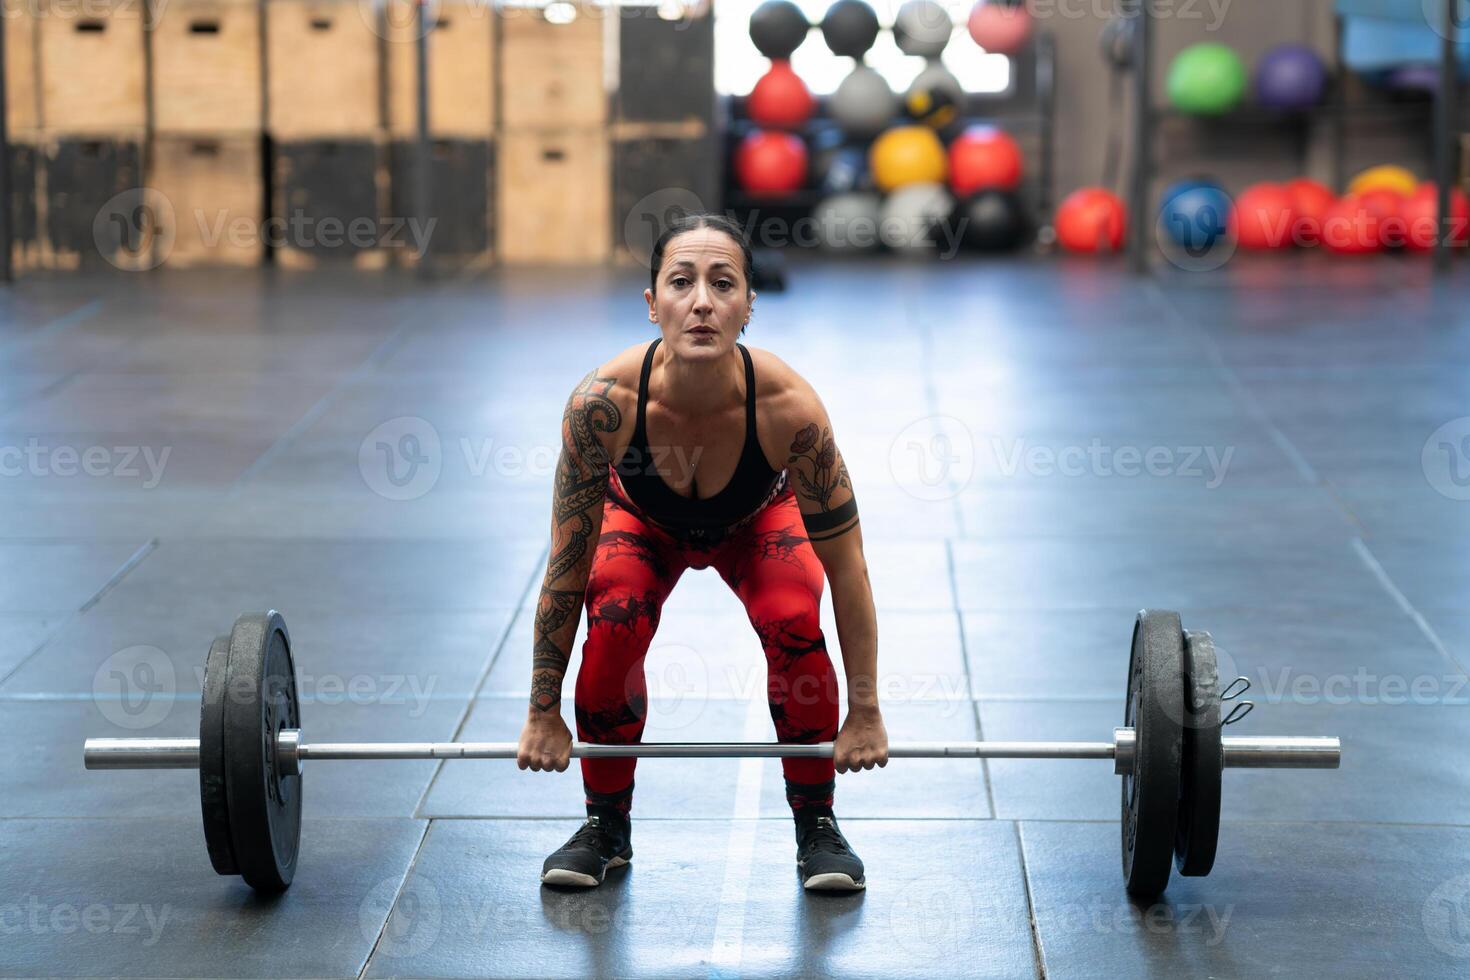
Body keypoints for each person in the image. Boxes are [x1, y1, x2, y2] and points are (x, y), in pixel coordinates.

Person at [515, 212, 888, 892]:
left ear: (748, 307)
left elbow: (848, 570)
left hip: (755, 519)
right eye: (681, 282)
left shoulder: (790, 411)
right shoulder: (601, 406)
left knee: (793, 617)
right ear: (652, 302)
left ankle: (818, 827)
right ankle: (606, 827)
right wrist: (543, 711)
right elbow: (566, 570)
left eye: (723, 284)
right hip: (642, 521)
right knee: (616, 611)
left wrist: (864, 710)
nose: (702, 302)